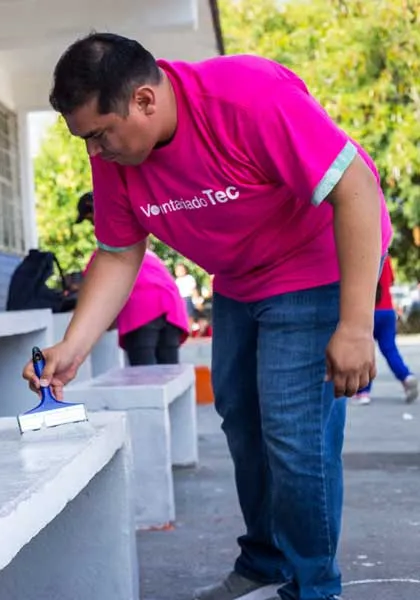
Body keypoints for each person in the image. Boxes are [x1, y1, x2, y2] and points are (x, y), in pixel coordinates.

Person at [23, 33, 391, 600]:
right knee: (242, 422)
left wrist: (355, 325)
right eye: (85, 140)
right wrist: (71, 346)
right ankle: (265, 561)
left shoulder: (246, 97)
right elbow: (121, 252)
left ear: (145, 100)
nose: (95, 153)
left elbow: (358, 189)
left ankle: (315, 587)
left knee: (295, 437)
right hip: (241, 279)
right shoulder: (117, 155)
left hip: (315, 265)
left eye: (99, 135)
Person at [77, 195, 189, 365]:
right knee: (169, 376)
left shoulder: (108, 257)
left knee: (145, 378)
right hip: (171, 304)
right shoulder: (142, 248)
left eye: (90, 219)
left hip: (142, 308)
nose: (92, 225)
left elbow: (93, 293)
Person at [353, 253, 418, 405]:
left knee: (365, 350)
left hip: (368, 310)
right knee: (390, 349)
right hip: (387, 310)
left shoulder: (360, 252)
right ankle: (406, 377)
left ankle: (363, 392)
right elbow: (391, 282)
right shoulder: (385, 257)